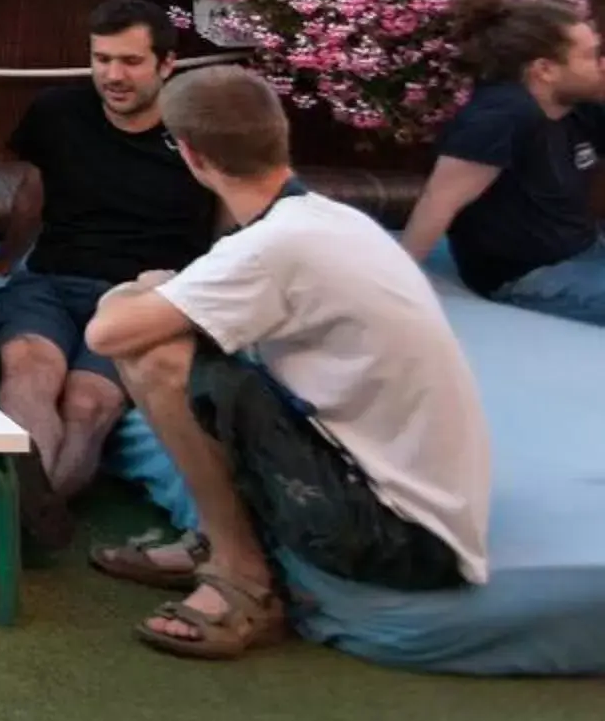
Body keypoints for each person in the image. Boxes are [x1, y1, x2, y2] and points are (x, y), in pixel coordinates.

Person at [86, 68, 488, 661]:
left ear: (192, 156)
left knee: (154, 352)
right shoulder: (331, 218)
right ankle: (210, 541)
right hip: (418, 511)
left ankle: (241, 575)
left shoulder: (273, 247)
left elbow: (106, 333)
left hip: (398, 538)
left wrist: (138, 293)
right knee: (180, 329)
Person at [0, 0, 220, 551]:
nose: (113, 75)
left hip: (140, 300)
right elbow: (34, 192)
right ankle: (25, 524)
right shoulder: (57, 112)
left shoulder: (198, 132)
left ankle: (14, 525)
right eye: (102, 59)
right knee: (30, 371)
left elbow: (228, 227)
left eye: (131, 62)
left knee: (89, 404)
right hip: (49, 282)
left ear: (166, 65)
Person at [400, 0, 605, 325]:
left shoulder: (577, 108)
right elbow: (440, 200)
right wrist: (393, 286)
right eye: (589, 56)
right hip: (529, 277)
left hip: (587, 253)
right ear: (545, 69)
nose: (600, 65)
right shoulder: (500, 116)